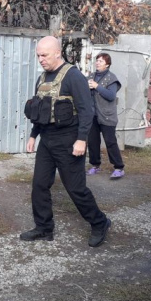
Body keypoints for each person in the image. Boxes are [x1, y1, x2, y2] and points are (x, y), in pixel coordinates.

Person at [20, 36, 111, 247]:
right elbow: (40, 110)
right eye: (38, 56)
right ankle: (44, 228)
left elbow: (87, 111)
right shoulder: (42, 78)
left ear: (57, 53)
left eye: (44, 55)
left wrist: (81, 140)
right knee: (40, 185)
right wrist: (34, 135)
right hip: (47, 140)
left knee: (75, 188)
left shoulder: (73, 76)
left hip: (69, 140)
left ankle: (100, 222)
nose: (41, 59)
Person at [86, 53, 125, 179]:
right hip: (93, 115)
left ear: (107, 64)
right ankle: (95, 165)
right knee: (93, 141)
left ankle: (119, 167)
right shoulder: (91, 76)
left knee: (110, 142)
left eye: (101, 61)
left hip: (107, 115)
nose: (98, 63)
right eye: (97, 60)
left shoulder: (111, 78)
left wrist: (97, 86)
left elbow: (111, 96)